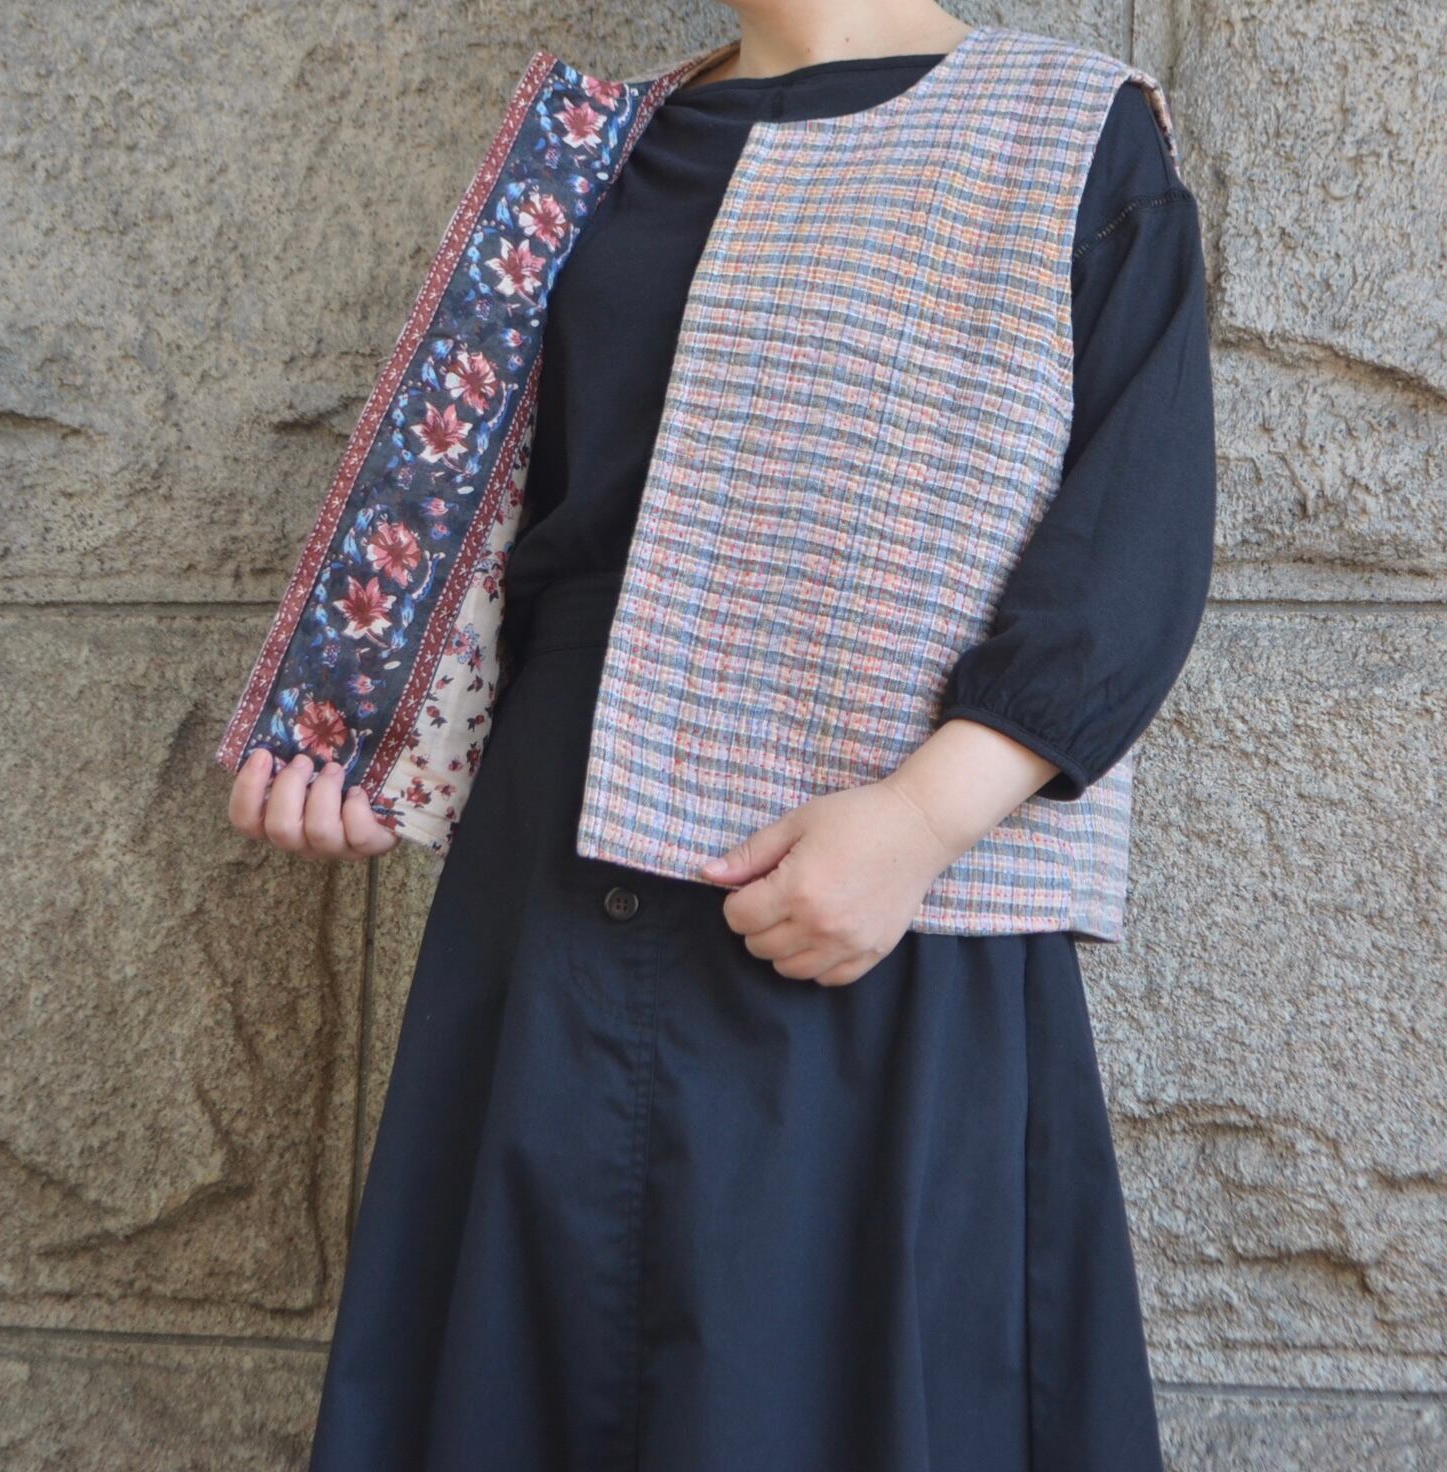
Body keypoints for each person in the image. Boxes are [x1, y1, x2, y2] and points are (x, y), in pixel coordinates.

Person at [227, 3, 1213, 1467]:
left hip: (882, 889)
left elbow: (1135, 530)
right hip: (555, 880)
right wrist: (372, 727)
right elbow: (509, 517)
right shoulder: (591, 144)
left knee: (834, 1373)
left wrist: (922, 819)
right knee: (531, 1363)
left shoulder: (1069, 127)